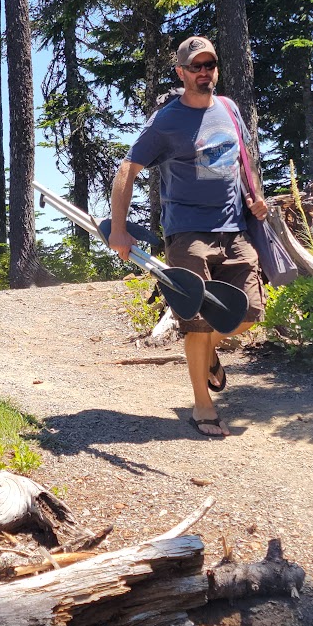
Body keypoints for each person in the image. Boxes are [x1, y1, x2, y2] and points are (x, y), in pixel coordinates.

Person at [107, 35, 268, 439]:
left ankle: (208, 354)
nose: (203, 72)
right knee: (195, 321)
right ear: (181, 73)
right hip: (188, 233)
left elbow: (238, 163)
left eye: (209, 65)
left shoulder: (229, 108)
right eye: (195, 66)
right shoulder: (167, 120)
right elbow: (127, 169)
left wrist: (256, 197)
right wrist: (120, 228)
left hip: (235, 228)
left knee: (247, 314)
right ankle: (202, 405)